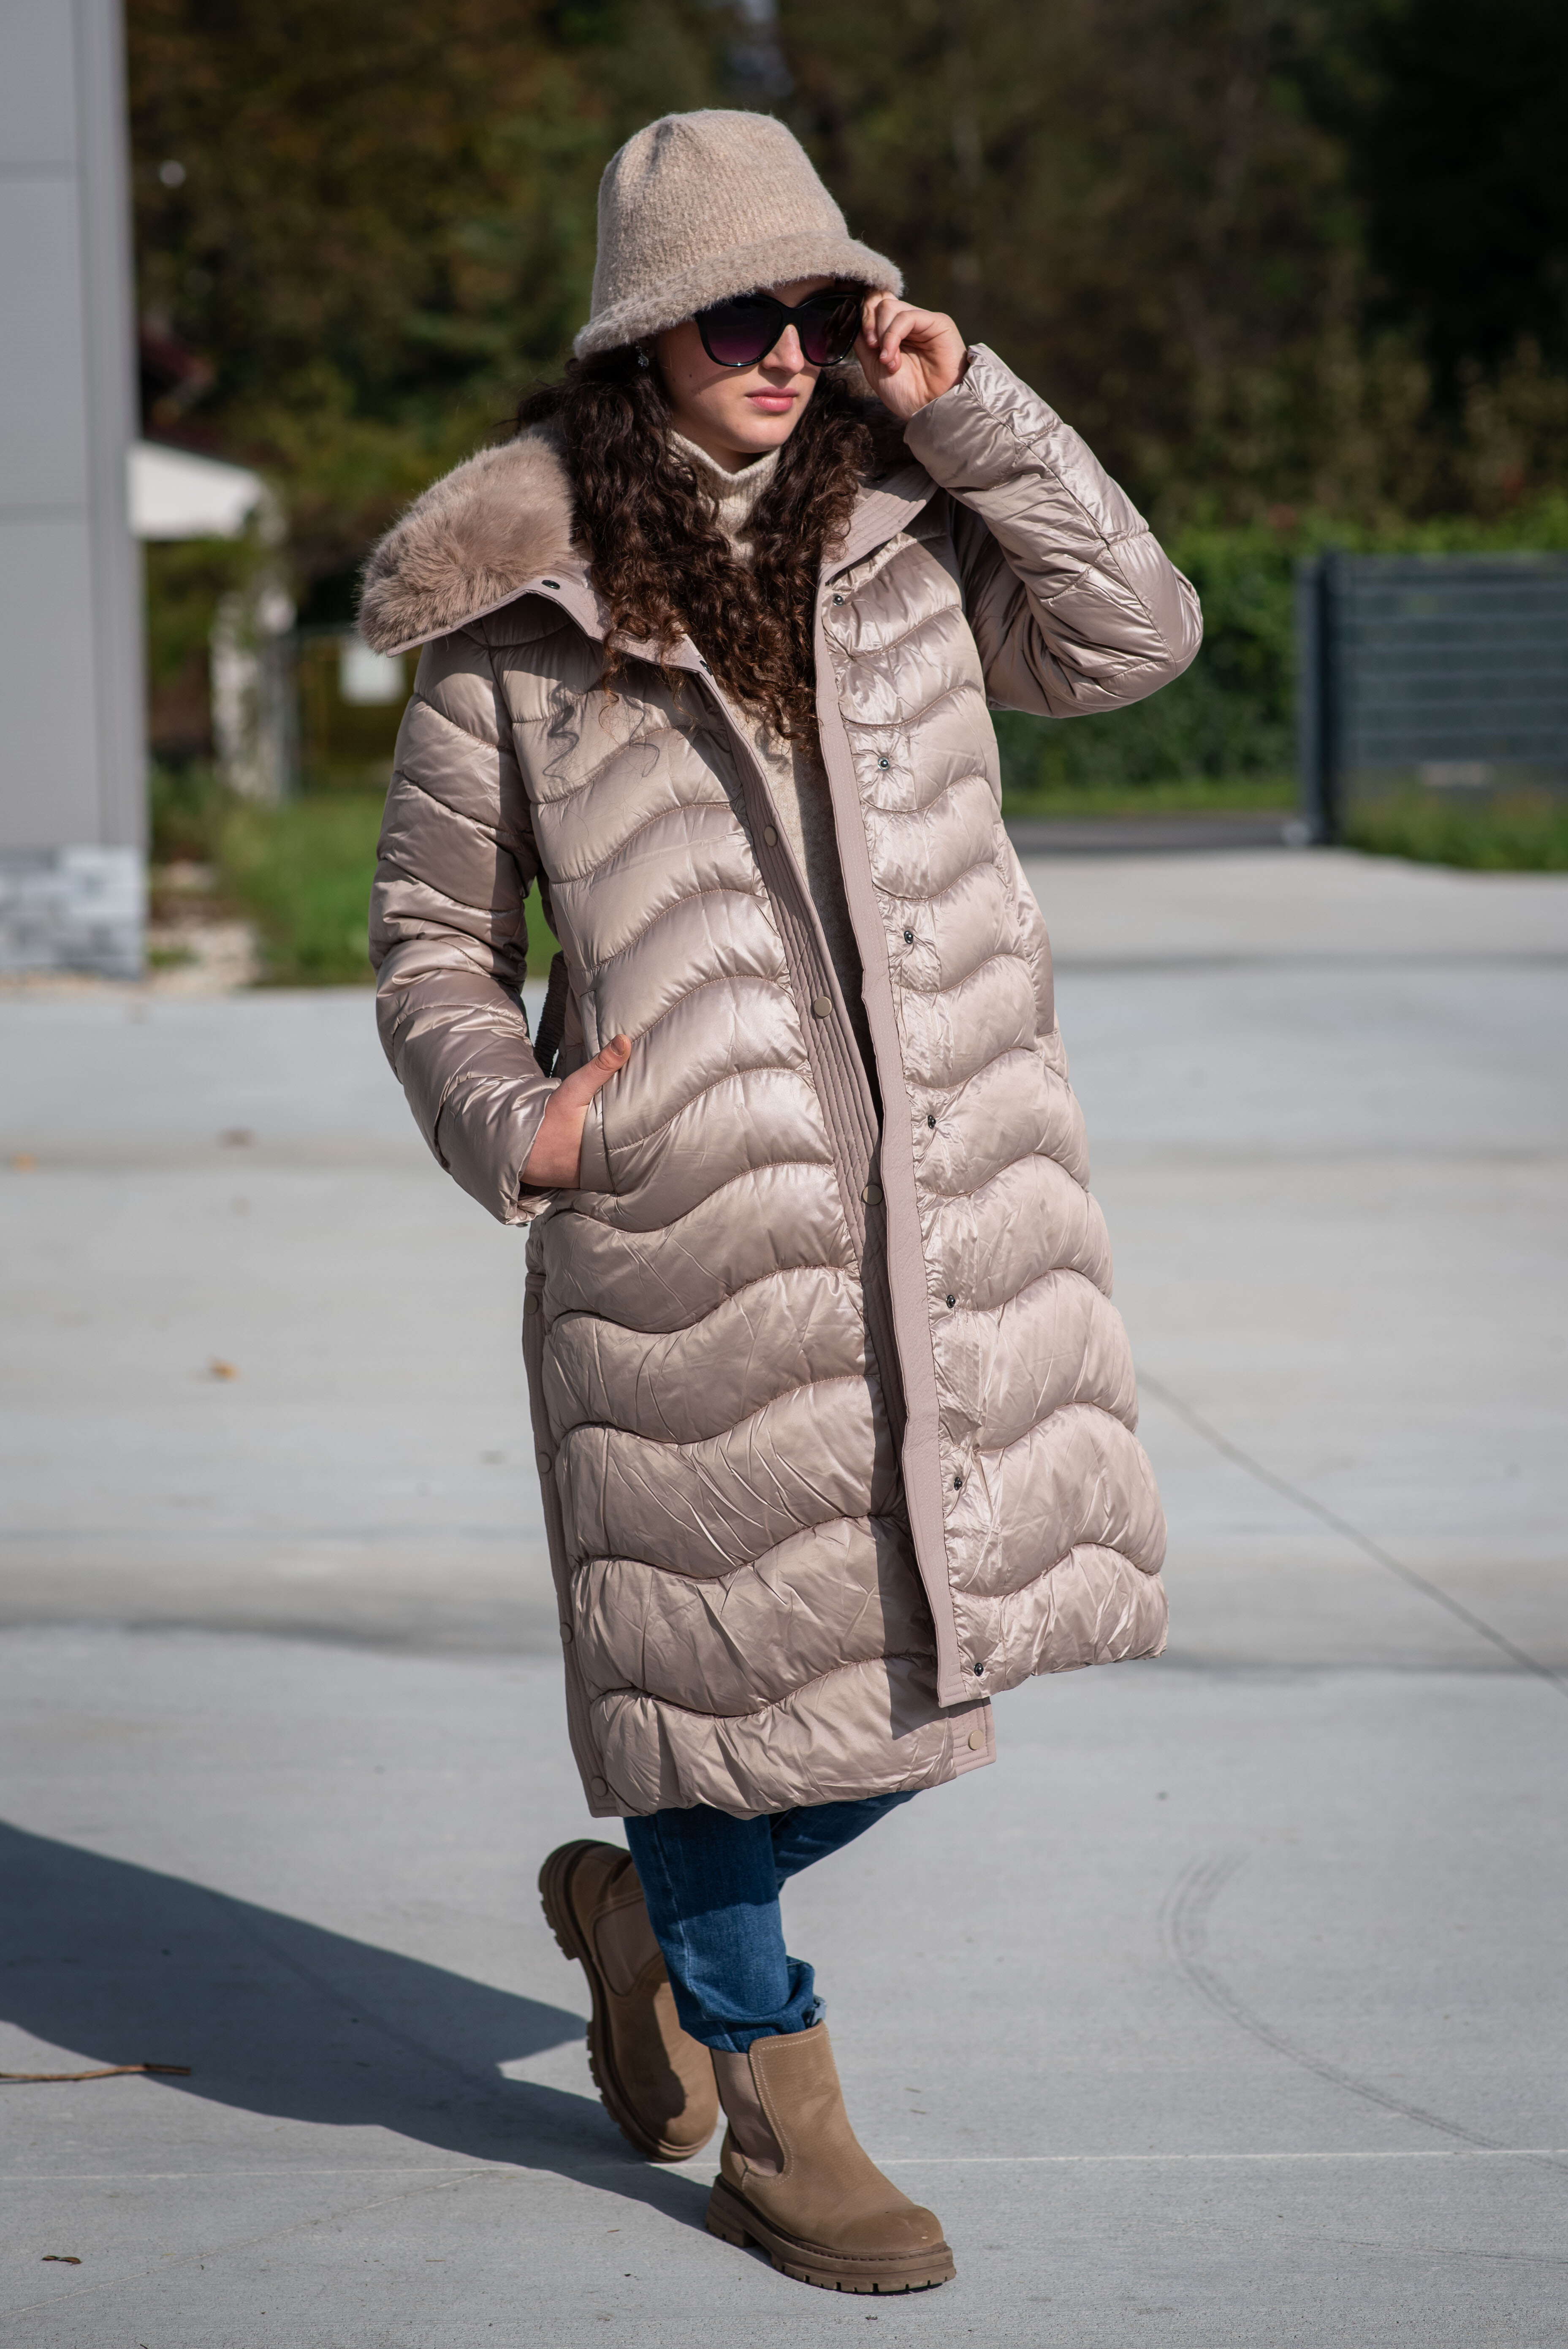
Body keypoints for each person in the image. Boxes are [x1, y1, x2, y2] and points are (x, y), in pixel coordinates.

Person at [361, 108, 1199, 2294]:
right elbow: (430, 938)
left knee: (937, 1674)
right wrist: (517, 1120)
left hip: (952, 1222)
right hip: (686, 1247)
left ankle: (645, 1920)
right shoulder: (517, 618)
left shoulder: (916, 535)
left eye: (818, 306)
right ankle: (774, 2106)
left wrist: (973, 403)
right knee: (704, 1695)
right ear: (640, 337)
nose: (785, 348)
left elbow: (1133, 637)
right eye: (737, 313)